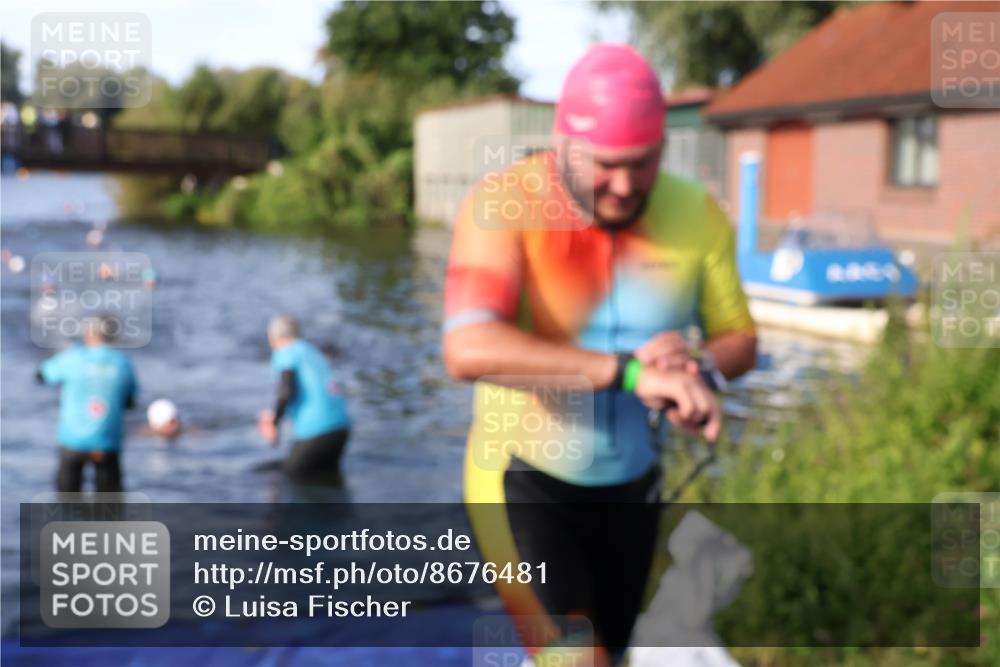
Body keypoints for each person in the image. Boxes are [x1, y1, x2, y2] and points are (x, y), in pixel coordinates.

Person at [442, 44, 757, 665]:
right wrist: (629, 373)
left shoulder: (696, 213)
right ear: (562, 145)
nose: (624, 186)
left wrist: (696, 365)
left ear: (663, 147)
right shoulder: (505, 202)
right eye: (606, 166)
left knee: (610, 651)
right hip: (523, 480)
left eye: (643, 163)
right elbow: (467, 348)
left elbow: (741, 339)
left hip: (633, 483)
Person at [37, 316, 139, 493]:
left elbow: (41, 375)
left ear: (90, 333)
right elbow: (130, 402)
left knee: (67, 503)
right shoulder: (123, 363)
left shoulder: (73, 357)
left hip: (73, 441)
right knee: (109, 505)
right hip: (108, 442)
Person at [257, 315, 351, 481]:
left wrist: (274, 423)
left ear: (273, 338)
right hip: (341, 429)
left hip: (317, 431)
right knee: (326, 481)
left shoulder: (285, 352)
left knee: (288, 479)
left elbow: (286, 391)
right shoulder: (311, 351)